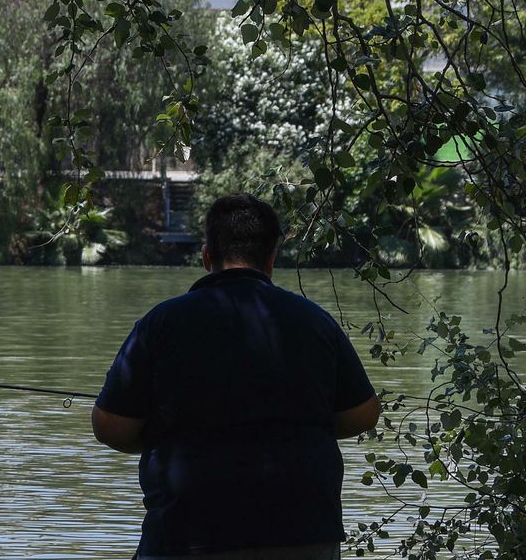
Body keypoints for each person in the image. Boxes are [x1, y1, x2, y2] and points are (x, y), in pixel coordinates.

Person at [92, 193, 381, 560]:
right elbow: (365, 413)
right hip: (305, 532)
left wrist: (159, 432)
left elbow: (109, 425)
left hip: (187, 533)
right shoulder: (315, 321)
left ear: (206, 257)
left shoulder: (160, 324)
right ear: (271, 259)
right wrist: (302, 423)